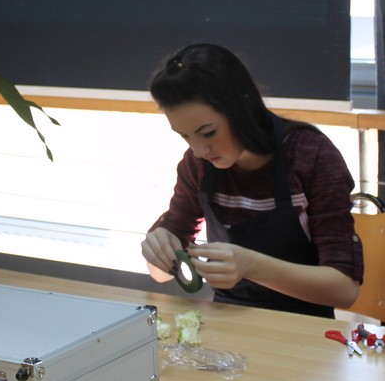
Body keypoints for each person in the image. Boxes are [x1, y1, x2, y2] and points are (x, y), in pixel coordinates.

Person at [141, 43, 362, 317]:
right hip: (228, 319)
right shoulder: (197, 165)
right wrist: (160, 250)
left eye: (208, 133)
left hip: (304, 325)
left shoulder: (309, 155)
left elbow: (345, 289)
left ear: (242, 107)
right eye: (185, 136)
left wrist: (250, 266)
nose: (198, 150)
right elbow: (160, 274)